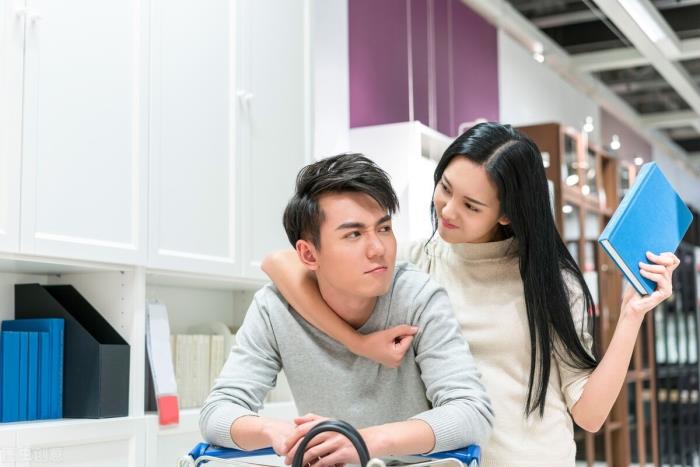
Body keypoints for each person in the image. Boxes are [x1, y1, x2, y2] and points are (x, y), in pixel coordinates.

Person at [261, 123, 679, 466]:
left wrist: (631, 316)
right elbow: (280, 263)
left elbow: (589, 415)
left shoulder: (551, 284)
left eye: (471, 206)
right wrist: (358, 343)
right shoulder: (418, 261)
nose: (447, 210)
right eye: (445, 188)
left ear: (507, 213)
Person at [200, 153, 493, 467]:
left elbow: (471, 412)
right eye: (354, 234)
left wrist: (365, 440)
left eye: (384, 228)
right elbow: (217, 411)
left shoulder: (418, 298)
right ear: (308, 255)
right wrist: (278, 432)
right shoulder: (274, 309)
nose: (378, 249)